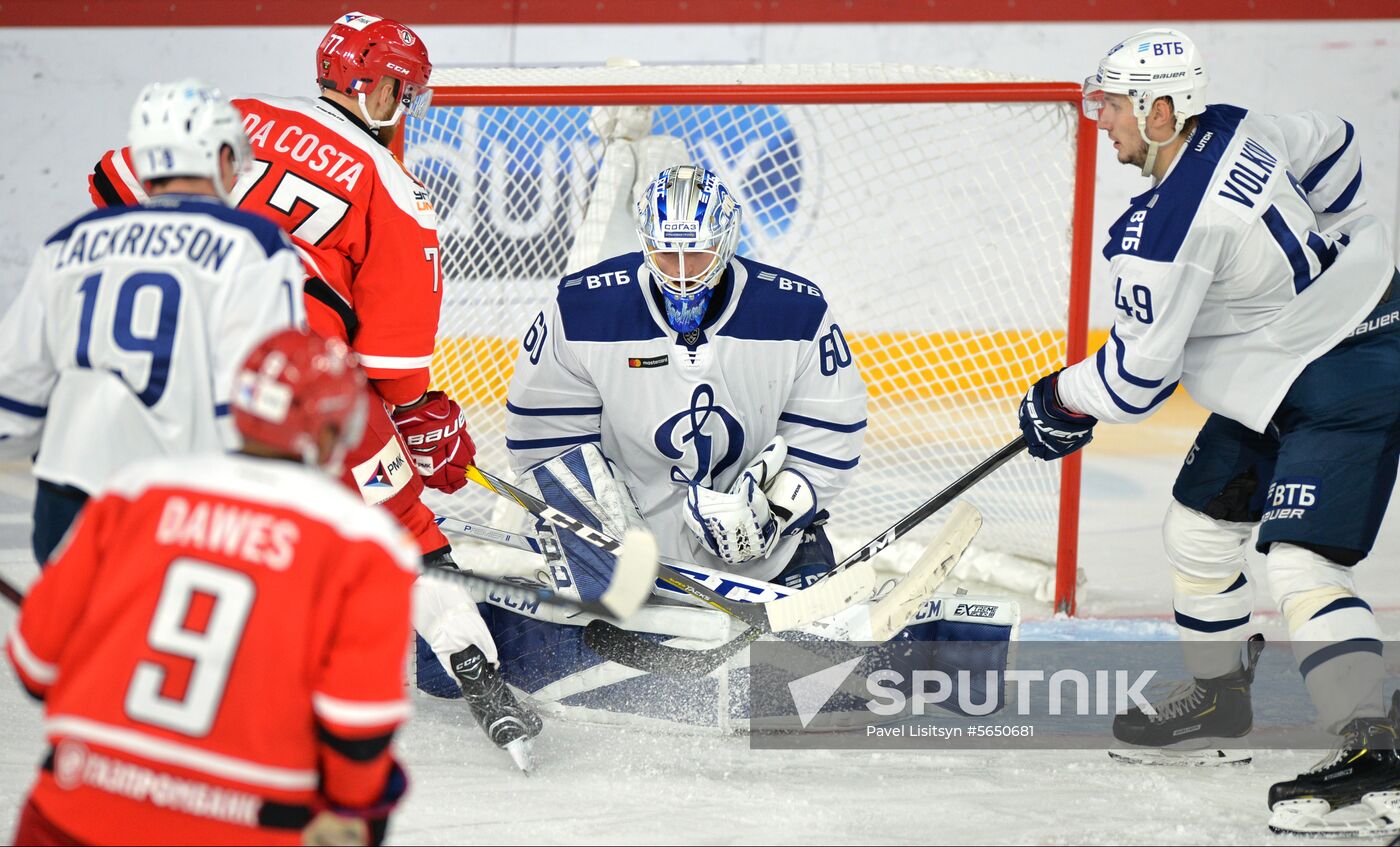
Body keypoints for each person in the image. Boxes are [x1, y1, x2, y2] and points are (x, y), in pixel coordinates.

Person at [85, 12, 535, 760]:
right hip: (293, 384)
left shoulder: (244, 115)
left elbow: (110, 180)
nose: (406, 106)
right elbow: (391, 372)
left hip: (165, 367)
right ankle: (476, 670)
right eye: (402, 89)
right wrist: (428, 426)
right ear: (378, 86)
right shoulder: (394, 189)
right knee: (402, 526)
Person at [1016, 28, 1400, 835]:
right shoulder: (1236, 124)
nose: (1103, 118)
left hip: (1349, 369)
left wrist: (1057, 399)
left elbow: (1134, 380)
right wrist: (1332, 251)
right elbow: (1336, 147)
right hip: (1284, 365)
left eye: (1116, 104)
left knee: (1303, 562)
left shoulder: (1166, 231)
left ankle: (1378, 757)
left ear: (1162, 111)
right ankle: (1221, 704)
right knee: (1198, 527)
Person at [5, 328, 419, 846]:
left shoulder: (137, 491)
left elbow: (34, 663)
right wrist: (355, 811)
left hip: (73, 813)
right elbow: (358, 728)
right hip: (249, 826)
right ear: (333, 429)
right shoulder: (367, 543)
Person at [502, 163, 868, 589]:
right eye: (666, 253)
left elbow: (828, 430)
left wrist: (777, 513)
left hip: (771, 554)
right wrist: (604, 527)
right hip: (624, 554)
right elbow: (543, 436)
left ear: (726, 241)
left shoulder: (795, 313)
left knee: (808, 653)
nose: (681, 271)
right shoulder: (583, 311)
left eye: (696, 252)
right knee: (584, 644)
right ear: (646, 242)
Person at [0, 79, 305, 565]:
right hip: (181, 506)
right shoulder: (253, 245)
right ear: (219, 155)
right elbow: (258, 399)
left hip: (66, 502)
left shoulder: (67, 242)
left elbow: (13, 394)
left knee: (76, 642)